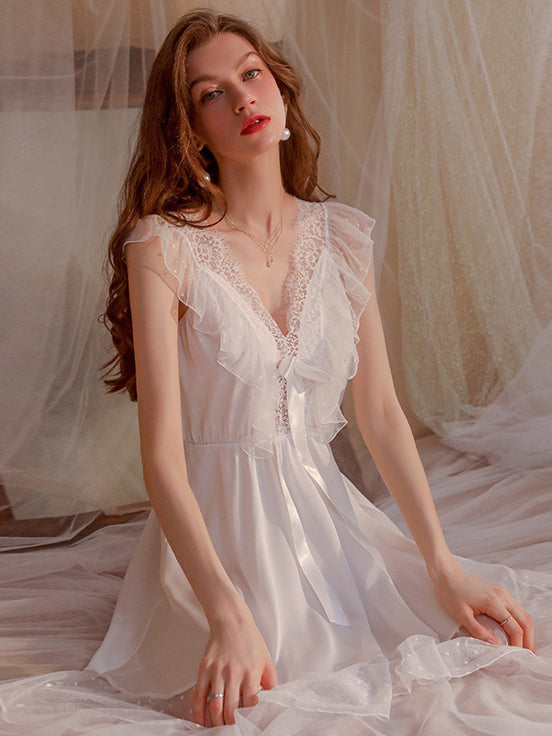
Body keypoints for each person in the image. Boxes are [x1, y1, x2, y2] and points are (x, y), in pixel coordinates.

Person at [91, 8, 534, 730]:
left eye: (252, 74)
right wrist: (225, 612)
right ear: (190, 129)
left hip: (329, 522)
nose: (242, 98)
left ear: (280, 87)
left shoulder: (343, 237)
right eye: (211, 93)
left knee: (457, 646)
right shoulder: (163, 247)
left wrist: (442, 564)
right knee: (266, 690)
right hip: (217, 542)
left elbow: (380, 415)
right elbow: (163, 459)